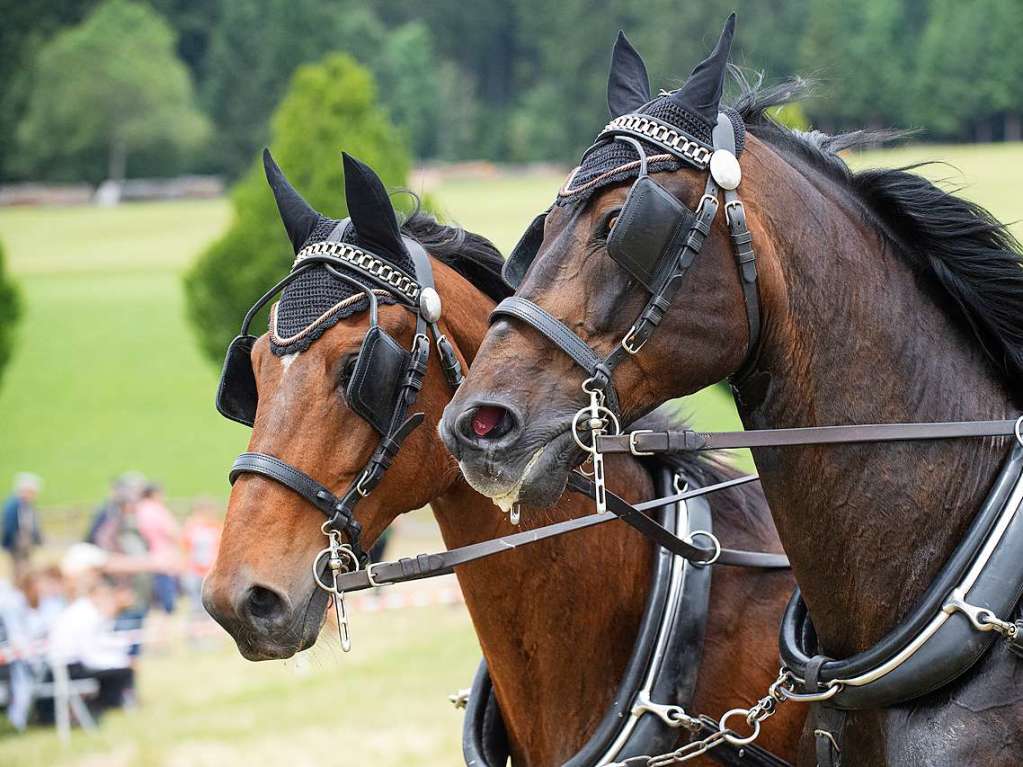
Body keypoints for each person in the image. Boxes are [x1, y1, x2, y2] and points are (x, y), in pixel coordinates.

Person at [134, 483, 181, 614]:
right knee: (168, 602)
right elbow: (171, 531)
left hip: (152, 556)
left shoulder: (140, 510)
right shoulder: (155, 510)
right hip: (164, 556)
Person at [181, 498, 221, 615]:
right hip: (194, 571)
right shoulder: (191, 527)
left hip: (210, 571)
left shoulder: (216, 527)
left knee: (210, 606)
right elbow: (185, 548)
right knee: (194, 605)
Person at [2, 473, 43, 578]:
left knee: (27, 568)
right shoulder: (13, 505)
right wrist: (11, 542)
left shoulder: (28, 505)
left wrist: (37, 539)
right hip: (16, 544)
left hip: (26, 543)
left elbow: (33, 524)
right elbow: (9, 526)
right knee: (19, 570)